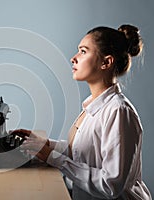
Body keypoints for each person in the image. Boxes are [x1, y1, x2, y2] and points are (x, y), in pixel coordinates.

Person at [13, 24, 152, 199]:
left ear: (106, 62)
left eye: (83, 51)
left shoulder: (118, 111)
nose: (73, 58)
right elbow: (85, 152)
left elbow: (110, 185)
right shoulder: (94, 106)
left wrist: (53, 157)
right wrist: (46, 144)